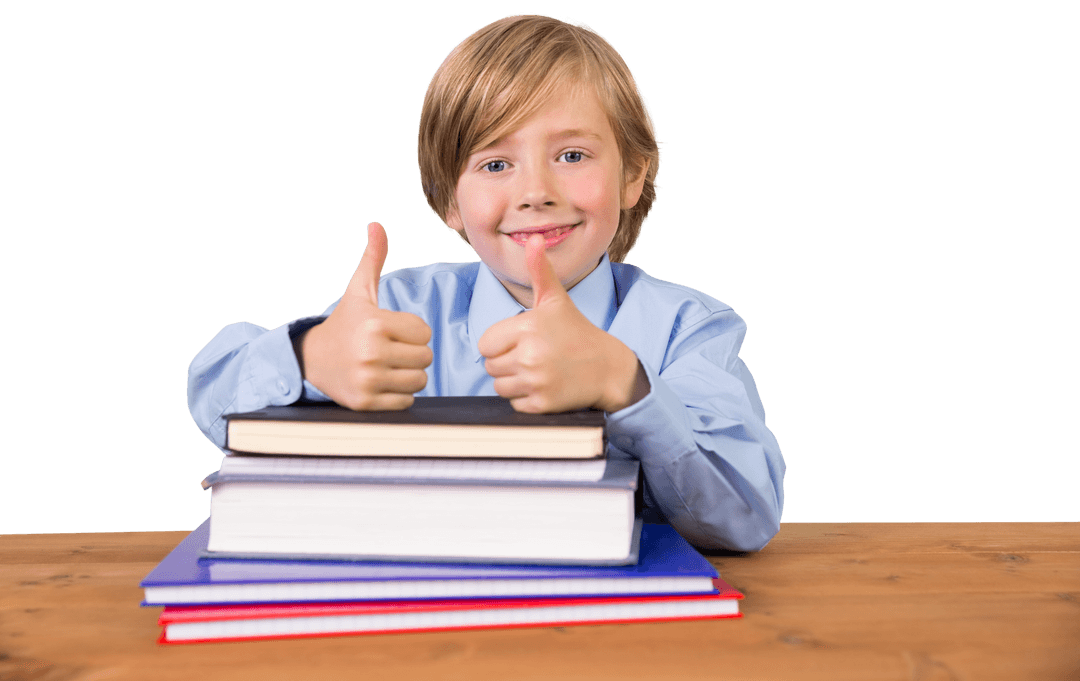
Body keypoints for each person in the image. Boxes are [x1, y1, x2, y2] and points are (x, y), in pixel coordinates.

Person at [187, 14, 785, 552]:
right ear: (449, 201)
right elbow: (212, 393)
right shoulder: (400, 310)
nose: (535, 191)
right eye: (496, 165)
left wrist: (626, 386)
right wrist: (310, 356)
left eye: (573, 155)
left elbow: (746, 517)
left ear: (632, 176)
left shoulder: (687, 330)